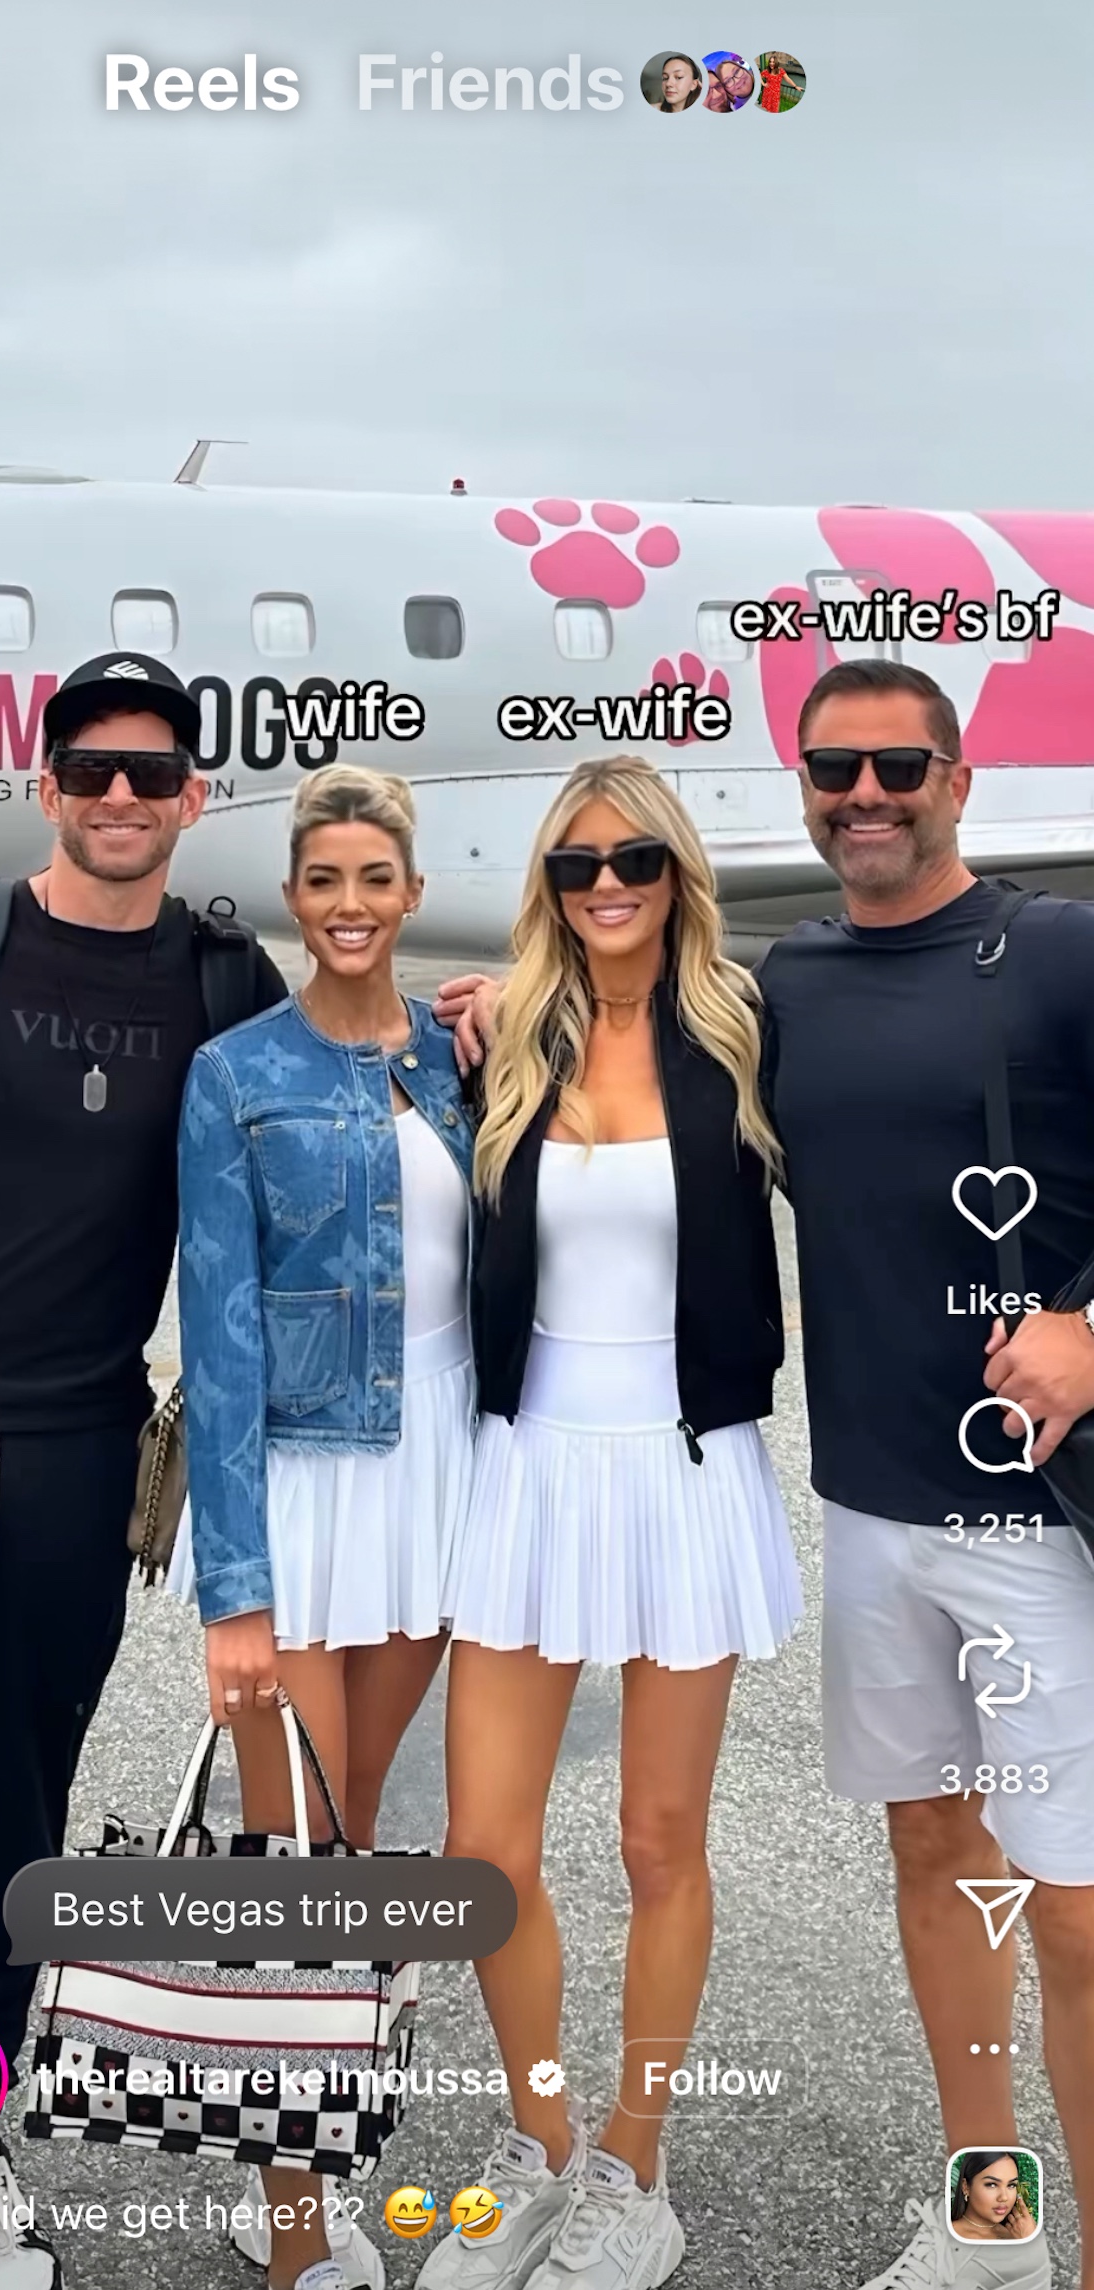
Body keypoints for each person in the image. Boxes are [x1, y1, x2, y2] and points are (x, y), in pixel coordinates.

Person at [0, 651, 294, 2290]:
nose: (120, 797)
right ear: (48, 786)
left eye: (152, 773)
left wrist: (486, 1021)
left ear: (193, 798)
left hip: (76, 1454)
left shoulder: (225, 983)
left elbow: (336, 1126)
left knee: (10, 1834)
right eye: (92, 769)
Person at [419, 756, 801, 2290]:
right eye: (575, 864)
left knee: (658, 1840)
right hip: (530, 1460)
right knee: (482, 1846)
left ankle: (636, 2168)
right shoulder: (506, 1036)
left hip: (685, 1465)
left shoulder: (747, 1033)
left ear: (677, 872)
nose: (605, 885)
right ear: (550, 887)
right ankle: (541, 2142)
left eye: (633, 857)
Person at [758, 658, 1088, 2289]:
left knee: (1075, 1907)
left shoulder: (1060, 949)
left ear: (959, 780)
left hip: (1041, 1515)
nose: (867, 795)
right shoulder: (789, 980)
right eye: (837, 769)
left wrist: (1092, 1327)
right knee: (934, 1860)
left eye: (900, 766)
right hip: (876, 1505)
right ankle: (992, 2225)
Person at [177, 764, 477, 2290]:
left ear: (411, 892)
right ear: (294, 897)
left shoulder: (459, 1056)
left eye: (375, 877)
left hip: (433, 1484)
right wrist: (234, 1588)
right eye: (324, 879)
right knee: (295, 1866)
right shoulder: (234, 1071)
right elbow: (218, 1332)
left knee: (351, 1853)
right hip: (299, 1488)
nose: (350, 904)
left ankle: (302, 2175)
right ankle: (296, 2235)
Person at [949, 2154, 1037, 2243]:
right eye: (992, 2185)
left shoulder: (1019, 2234)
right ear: (965, 2187)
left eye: (1011, 2185)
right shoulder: (946, 2237)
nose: (1004, 2197)